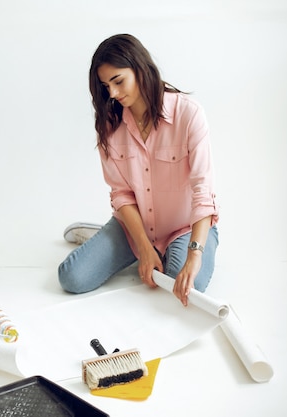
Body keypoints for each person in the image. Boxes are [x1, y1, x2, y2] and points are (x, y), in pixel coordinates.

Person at [58, 34, 219, 306]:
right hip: (134, 226)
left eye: (118, 81)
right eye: (105, 86)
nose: (113, 93)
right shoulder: (110, 125)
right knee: (72, 278)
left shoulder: (189, 114)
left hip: (184, 228)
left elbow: (203, 191)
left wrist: (195, 254)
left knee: (186, 291)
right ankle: (118, 243)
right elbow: (121, 193)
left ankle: (176, 250)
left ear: (140, 68)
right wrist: (144, 247)